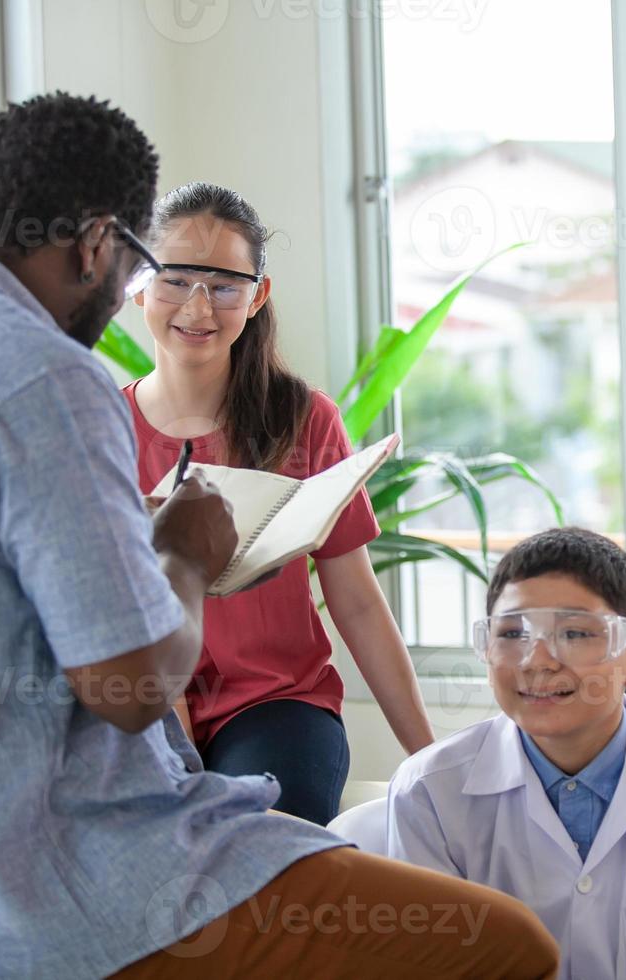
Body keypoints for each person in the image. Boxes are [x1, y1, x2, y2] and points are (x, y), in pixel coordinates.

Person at [0, 92, 555, 979]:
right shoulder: (49, 379)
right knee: (511, 947)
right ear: (98, 247)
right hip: (92, 896)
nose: (158, 297)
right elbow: (130, 685)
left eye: (222, 285)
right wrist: (185, 548)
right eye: (150, 269)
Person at [125, 181, 432, 824]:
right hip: (142, 706)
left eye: (225, 285)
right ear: (139, 283)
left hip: (276, 705)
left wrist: (428, 757)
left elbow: (355, 598)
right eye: (176, 279)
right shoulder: (98, 429)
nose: (199, 306)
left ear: (258, 294)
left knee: (262, 849)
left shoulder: (304, 420)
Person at [387, 528, 626, 979]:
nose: (538, 660)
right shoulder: (428, 793)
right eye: (512, 632)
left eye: (574, 632)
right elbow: (429, 967)